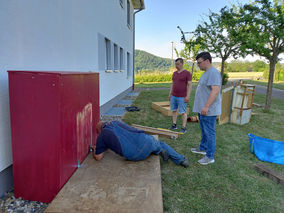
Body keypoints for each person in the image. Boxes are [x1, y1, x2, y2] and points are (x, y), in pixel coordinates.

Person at [93, 120, 189, 168]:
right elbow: (134, 130)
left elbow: (98, 157)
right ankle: (181, 160)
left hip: (134, 156)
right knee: (160, 144)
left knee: (142, 147)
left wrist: (95, 149)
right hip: (145, 142)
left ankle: (158, 150)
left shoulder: (101, 136)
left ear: (99, 130)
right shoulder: (116, 122)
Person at [191, 52, 222, 165]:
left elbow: (215, 90)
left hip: (208, 110)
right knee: (204, 130)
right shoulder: (206, 73)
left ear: (207, 61)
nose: (198, 65)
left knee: (209, 132)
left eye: (199, 63)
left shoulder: (213, 73)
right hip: (202, 110)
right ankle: (203, 148)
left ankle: (210, 156)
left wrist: (206, 106)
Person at [168, 58, 192, 134]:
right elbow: (172, 84)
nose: (176, 65)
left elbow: (190, 85)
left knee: (183, 112)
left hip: (182, 97)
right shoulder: (174, 73)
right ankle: (174, 124)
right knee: (174, 110)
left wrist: (187, 96)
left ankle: (184, 127)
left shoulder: (187, 73)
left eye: (178, 64)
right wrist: (170, 94)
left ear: (182, 63)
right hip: (174, 96)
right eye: (175, 64)